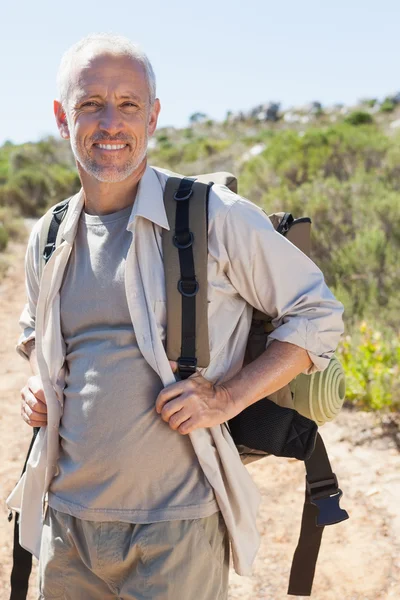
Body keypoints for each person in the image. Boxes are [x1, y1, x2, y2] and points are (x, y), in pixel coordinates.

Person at [10, 33, 344, 600]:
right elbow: (40, 336)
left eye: (129, 104)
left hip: (178, 527)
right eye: (90, 103)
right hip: (65, 522)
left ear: (154, 116)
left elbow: (317, 314)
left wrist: (229, 397)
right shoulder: (49, 234)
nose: (110, 122)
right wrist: (41, 383)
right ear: (63, 118)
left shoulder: (212, 216)